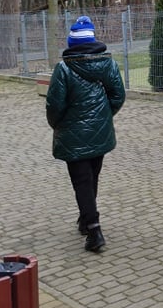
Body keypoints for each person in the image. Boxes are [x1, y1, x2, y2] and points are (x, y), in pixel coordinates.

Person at [46, 16, 126, 253]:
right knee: (92, 177)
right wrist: (103, 117)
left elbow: (55, 105)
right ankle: (86, 219)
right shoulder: (108, 64)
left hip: (73, 136)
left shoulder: (64, 69)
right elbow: (118, 95)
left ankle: (93, 230)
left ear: (72, 43)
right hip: (100, 133)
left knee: (82, 181)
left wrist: (58, 124)